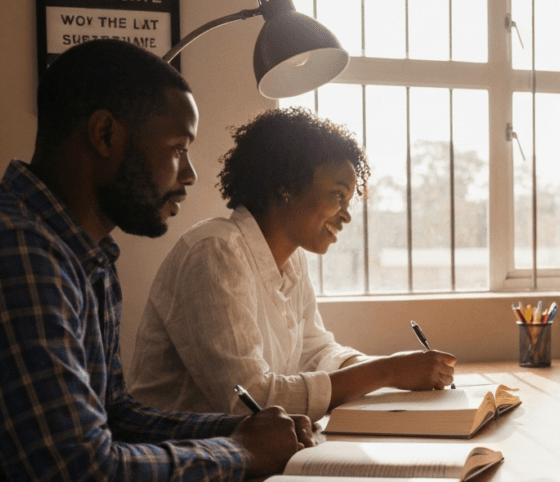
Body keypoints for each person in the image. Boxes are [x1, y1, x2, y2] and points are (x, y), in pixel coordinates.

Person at [0, 40, 313, 482]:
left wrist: (240, 429)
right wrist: (245, 452)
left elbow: (114, 414)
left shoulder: (83, 254)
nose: (190, 175)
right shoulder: (17, 251)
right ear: (106, 134)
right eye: (179, 149)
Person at [129, 107, 456, 418]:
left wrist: (393, 369)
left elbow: (315, 354)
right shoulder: (215, 251)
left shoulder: (291, 260)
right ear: (286, 185)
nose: (346, 215)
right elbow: (250, 399)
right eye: (338, 195)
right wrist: (388, 371)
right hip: (185, 455)